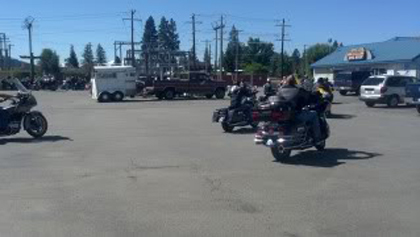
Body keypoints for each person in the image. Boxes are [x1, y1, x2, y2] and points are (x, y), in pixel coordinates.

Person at [277, 75, 322, 143]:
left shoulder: (280, 90)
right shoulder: (298, 90)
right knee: (314, 115)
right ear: (295, 81)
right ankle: (317, 138)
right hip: (295, 114)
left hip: (283, 114)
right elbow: (307, 98)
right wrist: (314, 99)